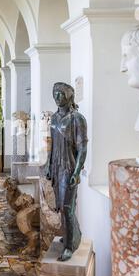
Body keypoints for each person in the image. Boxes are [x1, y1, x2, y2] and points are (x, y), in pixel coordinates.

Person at [46, 83, 88, 262]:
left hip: (69, 166)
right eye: (55, 93)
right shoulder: (54, 118)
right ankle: (71, 236)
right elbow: (52, 145)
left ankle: (70, 246)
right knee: (60, 207)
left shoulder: (77, 118)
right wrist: (48, 165)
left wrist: (77, 171)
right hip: (56, 166)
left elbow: (82, 148)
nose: (57, 97)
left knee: (67, 207)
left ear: (69, 97)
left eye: (61, 94)